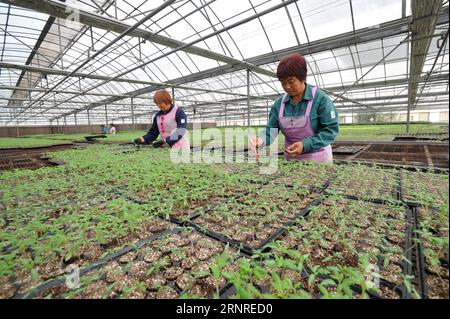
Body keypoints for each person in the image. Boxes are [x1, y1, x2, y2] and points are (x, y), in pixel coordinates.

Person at [250, 53, 339, 162]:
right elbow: (271, 130)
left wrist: (305, 144)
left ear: (303, 78)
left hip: (318, 158)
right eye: (283, 83)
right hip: (291, 159)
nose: (287, 86)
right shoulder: (278, 105)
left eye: (291, 81)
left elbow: (330, 130)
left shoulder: (320, 99)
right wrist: (260, 140)